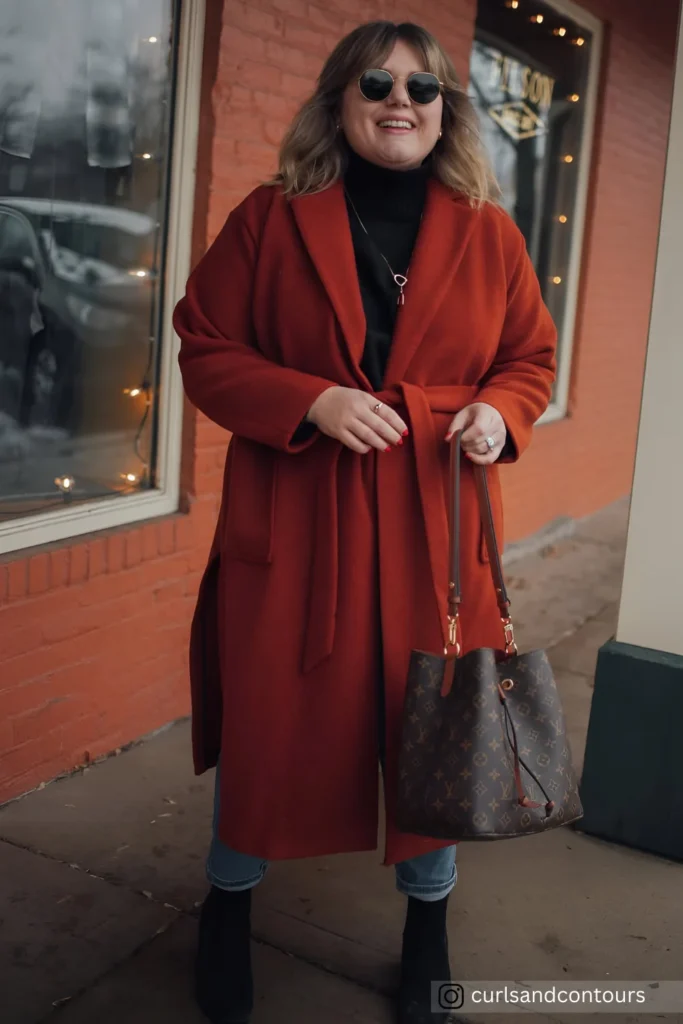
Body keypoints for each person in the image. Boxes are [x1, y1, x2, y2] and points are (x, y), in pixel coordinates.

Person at [173, 19, 557, 1024]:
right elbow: (203, 346)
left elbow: (528, 359)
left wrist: (493, 413)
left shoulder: (487, 230)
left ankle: (426, 927)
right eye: (377, 83)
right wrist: (309, 400)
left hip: (435, 526)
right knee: (268, 727)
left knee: (434, 722)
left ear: (445, 112)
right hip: (297, 523)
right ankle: (225, 905)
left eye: (422, 90)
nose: (400, 101)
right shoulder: (270, 219)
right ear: (340, 100)